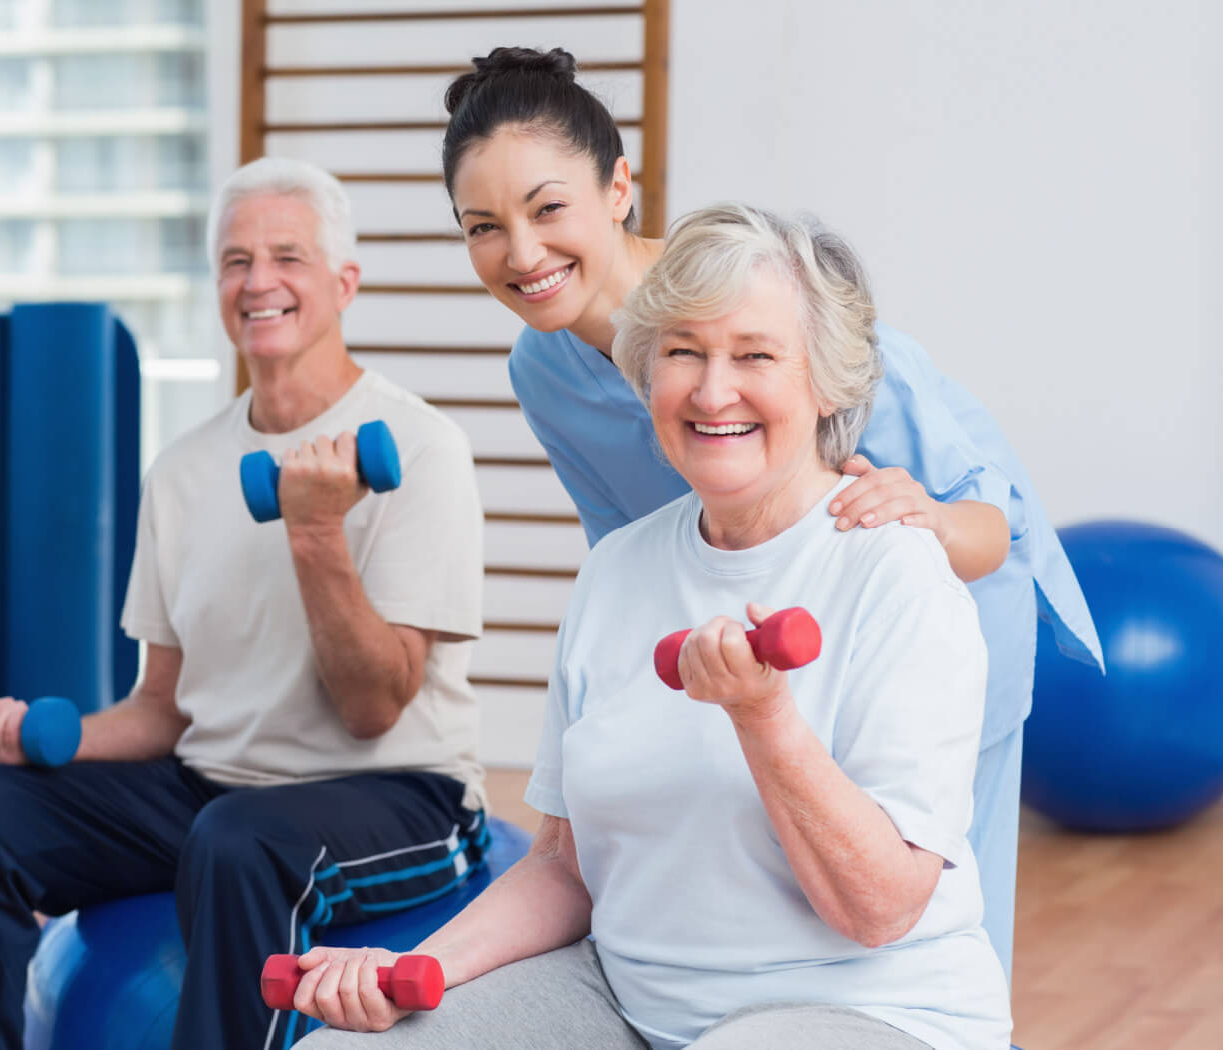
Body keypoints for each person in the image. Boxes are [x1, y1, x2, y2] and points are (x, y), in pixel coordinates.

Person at [433, 45, 1102, 975]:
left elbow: (991, 528)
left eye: (548, 208)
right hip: (776, 646)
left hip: (935, 614)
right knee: (777, 918)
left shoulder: (765, 303)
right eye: (483, 227)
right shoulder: (541, 370)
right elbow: (626, 555)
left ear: (618, 187)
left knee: (930, 938)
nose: (522, 252)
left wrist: (931, 522)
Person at [293, 204, 1012, 1050]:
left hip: (872, 1007)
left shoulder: (896, 571)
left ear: (825, 383)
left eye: (755, 355)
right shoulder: (618, 570)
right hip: (627, 1003)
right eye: (682, 353)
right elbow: (565, 867)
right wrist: (413, 969)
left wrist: (764, 718)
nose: (712, 391)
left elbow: (881, 908)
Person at [0, 157, 489, 1050]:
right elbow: (163, 706)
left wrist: (316, 533)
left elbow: (373, 709)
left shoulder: (422, 448)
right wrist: (29, 733)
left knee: (239, 841)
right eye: (235, 261)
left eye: (287, 256)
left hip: (398, 794)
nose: (258, 282)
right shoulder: (182, 470)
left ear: (344, 282)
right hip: (214, 790)